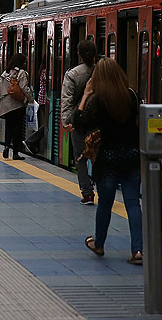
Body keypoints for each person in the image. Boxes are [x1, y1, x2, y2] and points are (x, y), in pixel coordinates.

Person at [74, 58, 143, 265]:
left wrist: (85, 96)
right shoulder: (131, 95)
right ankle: (137, 251)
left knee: (105, 203)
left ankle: (99, 244)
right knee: (132, 203)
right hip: (131, 156)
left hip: (107, 158)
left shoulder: (98, 99)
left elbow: (79, 124)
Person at [61, 39, 97, 205]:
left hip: (79, 121)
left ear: (79, 55)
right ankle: (102, 187)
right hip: (99, 121)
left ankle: (88, 193)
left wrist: (67, 122)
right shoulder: (102, 71)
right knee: (99, 155)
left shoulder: (72, 74)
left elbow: (67, 100)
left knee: (81, 158)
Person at [0, 53, 32, 160]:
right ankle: (15, 153)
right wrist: (30, 99)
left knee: (9, 127)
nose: (25, 63)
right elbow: (24, 88)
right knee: (17, 129)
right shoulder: (21, 73)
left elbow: (0, 89)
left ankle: (6, 147)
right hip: (17, 105)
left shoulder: (5, 73)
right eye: (24, 61)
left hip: (6, 105)